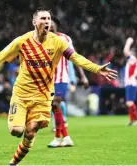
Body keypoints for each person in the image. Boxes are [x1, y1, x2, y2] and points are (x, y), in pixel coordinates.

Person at [0, 8, 117, 165]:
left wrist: (97, 68)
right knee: (16, 131)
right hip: (21, 94)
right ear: (34, 22)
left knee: (31, 130)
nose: (47, 21)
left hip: (43, 96)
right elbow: (0, 57)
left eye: (48, 18)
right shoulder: (22, 41)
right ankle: (23, 122)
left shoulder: (58, 42)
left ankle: (13, 163)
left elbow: (76, 58)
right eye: (43, 18)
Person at [48, 17, 89, 148]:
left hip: (61, 78)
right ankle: (65, 138)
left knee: (56, 104)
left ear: (56, 25)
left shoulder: (64, 39)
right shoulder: (41, 41)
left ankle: (58, 138)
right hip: (48, 80)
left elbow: (75, 57)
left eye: (51, 23)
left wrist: (83, 76)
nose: (49, 25)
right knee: (54, 108)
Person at [123, 37, 137, 126]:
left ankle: (136, 119)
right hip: (130, 83)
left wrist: (128, 42)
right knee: (129, 102)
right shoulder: (133, 61)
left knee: (130, 102)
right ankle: (132, 120)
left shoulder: (133, 59)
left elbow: (125, 51)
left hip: (131, 83)